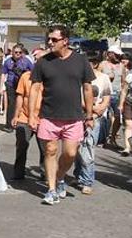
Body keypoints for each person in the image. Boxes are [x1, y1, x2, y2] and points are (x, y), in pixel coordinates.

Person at [28, 26, 94, 205]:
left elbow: (87, 88)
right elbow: (34, 88)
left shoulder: (80, 61)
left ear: (65, 41)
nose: (50, 42)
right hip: (49, 115)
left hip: (73, 117)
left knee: (71, 153)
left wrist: (89, 115)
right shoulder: (43, 62)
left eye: (54, 39)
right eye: (48, 39)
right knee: (50, 150)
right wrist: (32, 115)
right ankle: (51, 190)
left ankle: (59, 177)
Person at [73, 53, 113, 194]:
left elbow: (107, 96)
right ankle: (78, 175)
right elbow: (78, 97)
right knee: (77, 148)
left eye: (89, 62)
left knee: (88, 147)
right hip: (79, 116)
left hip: (96, 117)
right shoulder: (78, 77)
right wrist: (90, 108)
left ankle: (87, 180)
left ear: (94, 64)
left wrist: (100, 109)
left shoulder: (104, 78)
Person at [9, 46, 45, 181]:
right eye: (36, 58)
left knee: (45, 150)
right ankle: (18, 173)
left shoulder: (50, 78)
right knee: (21, 146)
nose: (37, 61)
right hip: (24, 117)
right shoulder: (25, 76)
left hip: (43, 119)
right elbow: (20, 96)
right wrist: (16, 115)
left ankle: (45, 173)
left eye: (40, 59)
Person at [0, 45, 34, 132]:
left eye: (20, 52)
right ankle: (9, 125)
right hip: (11, 85)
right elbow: (3, 73)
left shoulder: (26, 61)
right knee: (11, 105)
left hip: (22, 85)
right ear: (12, 53)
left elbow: (33, 72)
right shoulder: (8, 61)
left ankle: (19, 122)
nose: (18, 54)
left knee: (21, 104)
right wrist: (1, 86)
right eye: (16, 52)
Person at [101, 50, 126, 147]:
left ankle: (113, 136)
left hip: (117, 94)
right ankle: (103, 137)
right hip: (105, 93)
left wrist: (123, 94)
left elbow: (123, 82)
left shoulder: (121, 66)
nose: (117, 56)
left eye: (118, 54)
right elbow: (97, 77)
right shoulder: (103, 64)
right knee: (104, 117)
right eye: (115, 54)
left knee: (118, 117)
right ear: (109, 54)